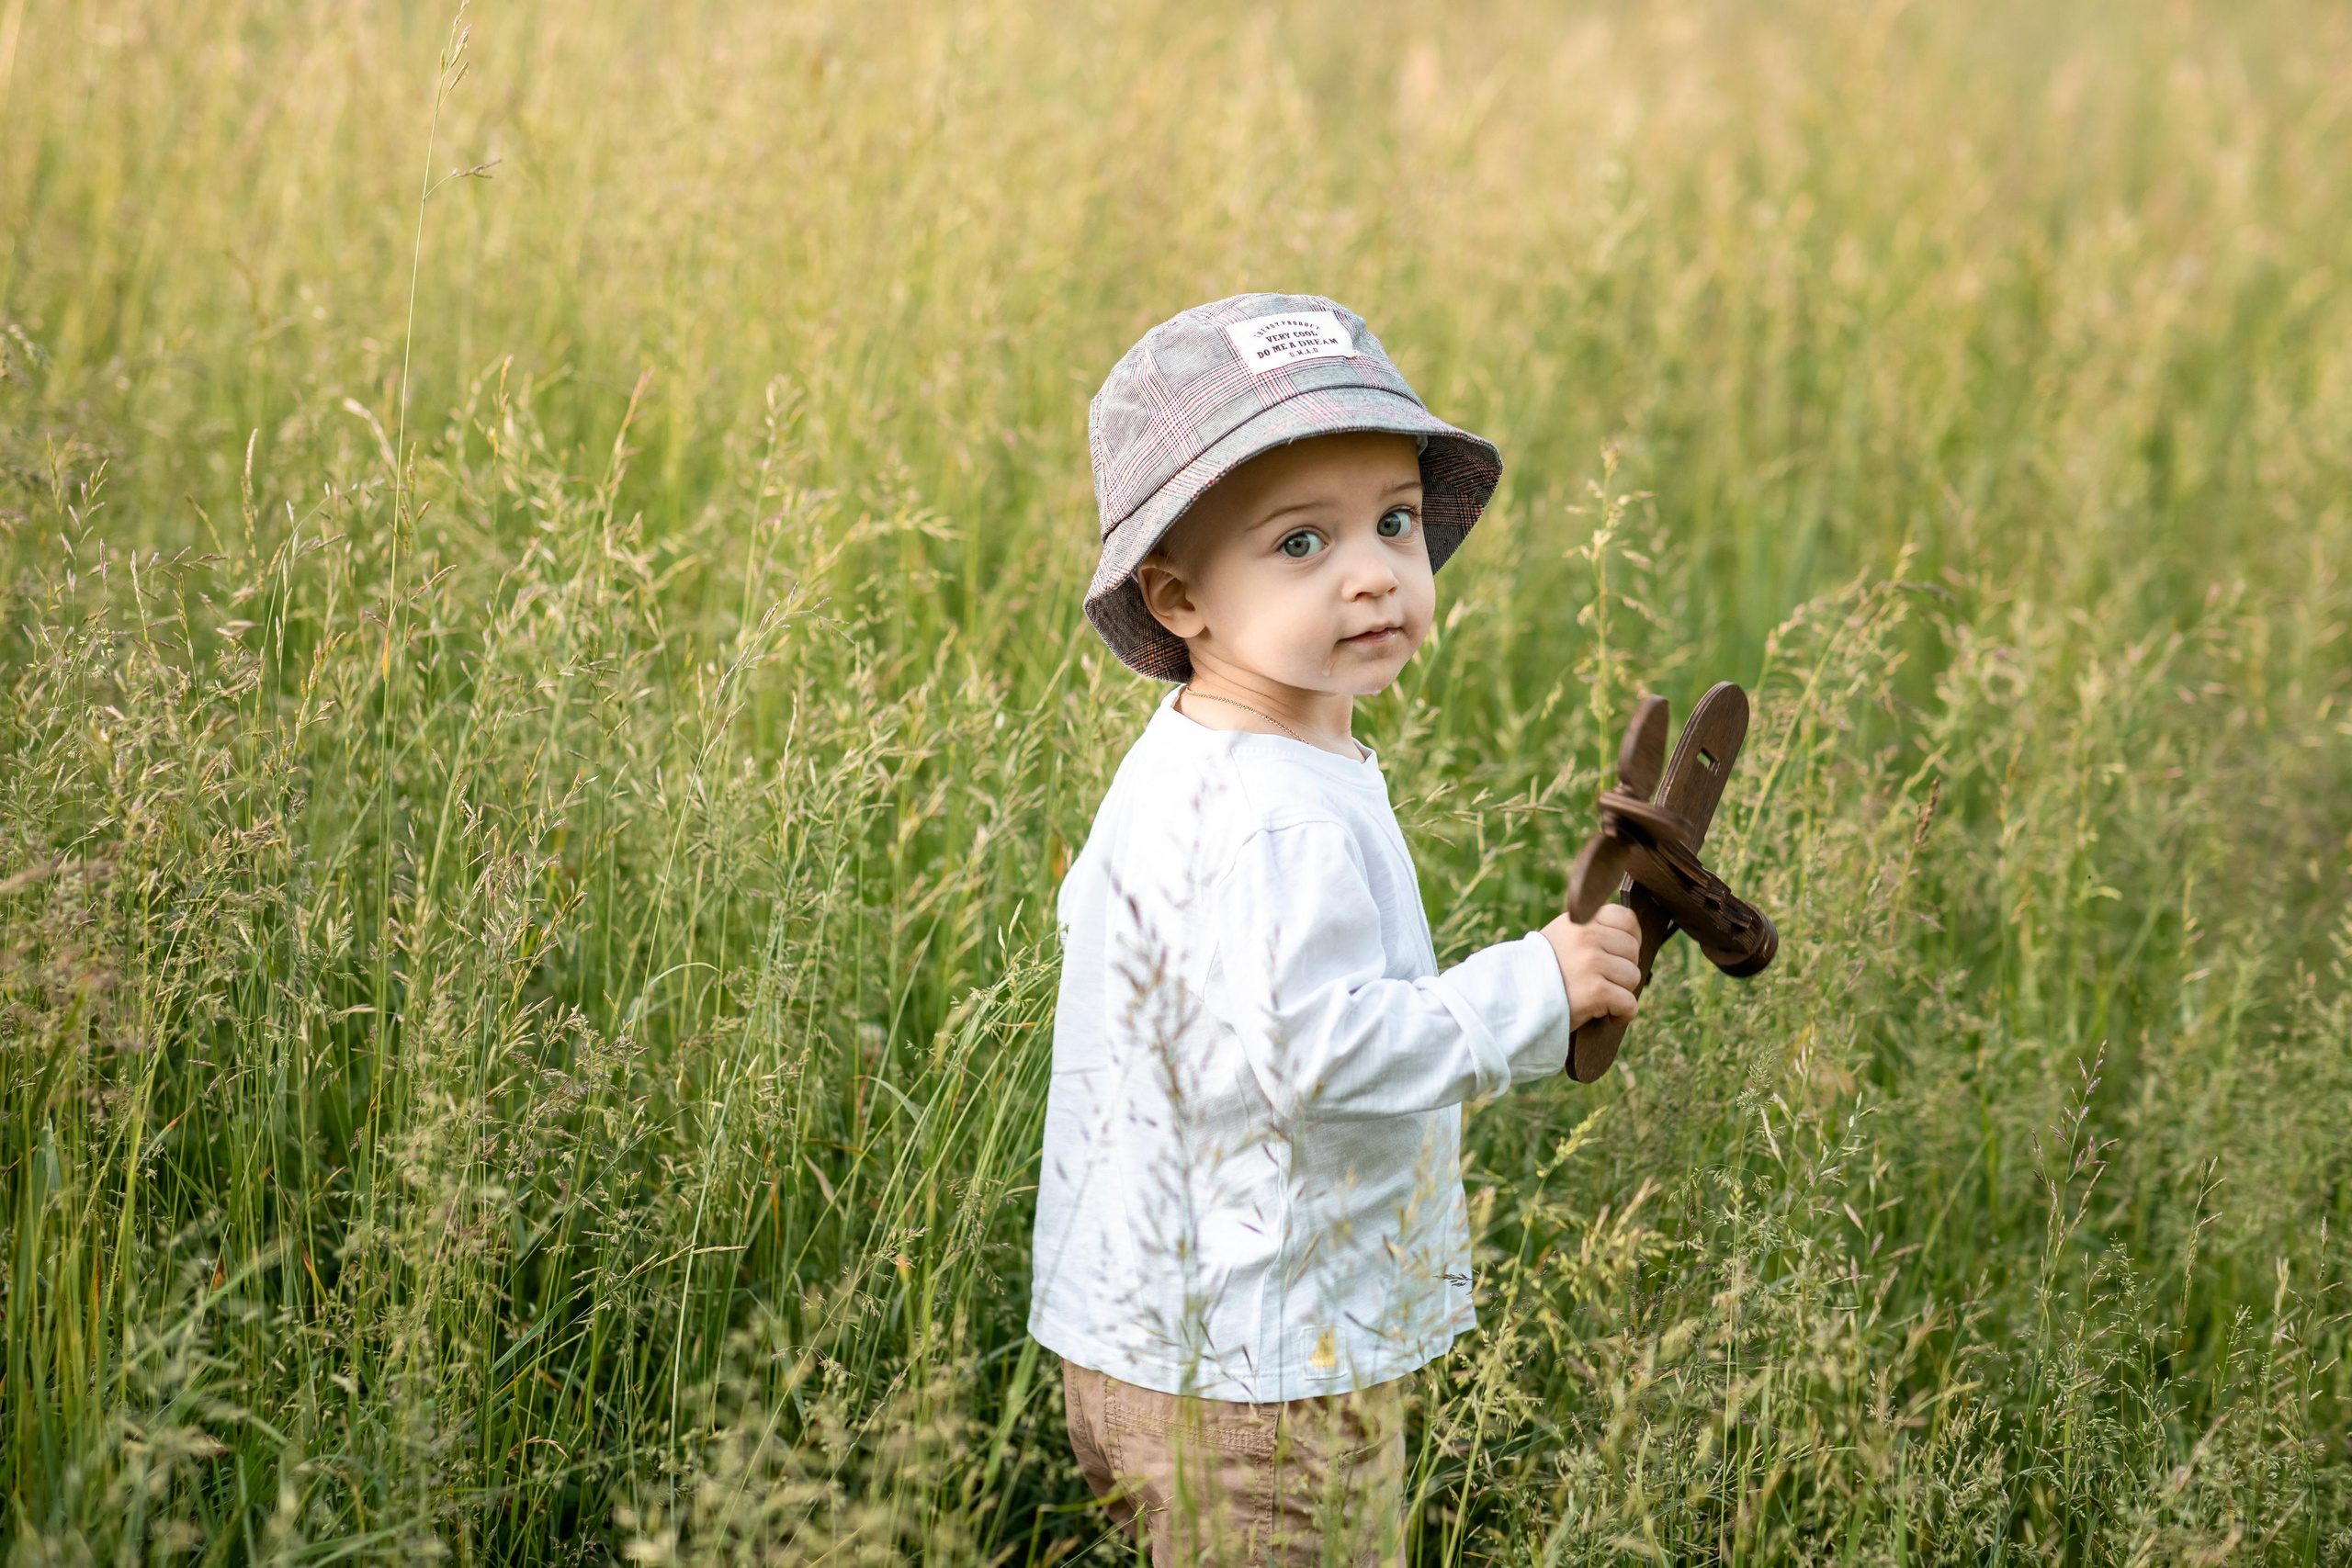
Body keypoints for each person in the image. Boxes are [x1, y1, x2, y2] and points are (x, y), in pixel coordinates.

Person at [1031, 294, 1642, 1565]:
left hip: (1141, 1341)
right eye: (1301, 542)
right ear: (1180, 596)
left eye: (1395, 522)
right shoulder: (1276, 817)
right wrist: (1539, 986)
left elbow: (1103, 926)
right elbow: (1319, 1052)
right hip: (1266, 1378)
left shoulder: (1187, 764)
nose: (1373, 572)